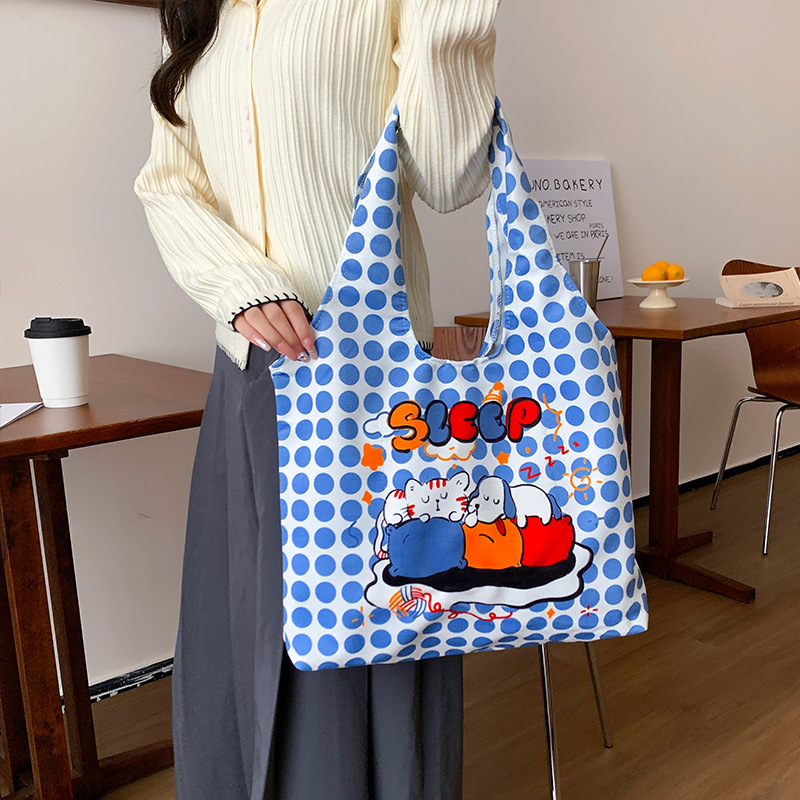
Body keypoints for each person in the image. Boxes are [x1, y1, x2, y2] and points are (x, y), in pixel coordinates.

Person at [133, 1, 501, 797]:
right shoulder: (196, 12)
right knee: (247, 620)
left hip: (373, 378)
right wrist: (240, 284)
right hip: (251, 370)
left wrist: (449, 18)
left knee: (378, 624)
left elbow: (450, 178)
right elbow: (168, 183)